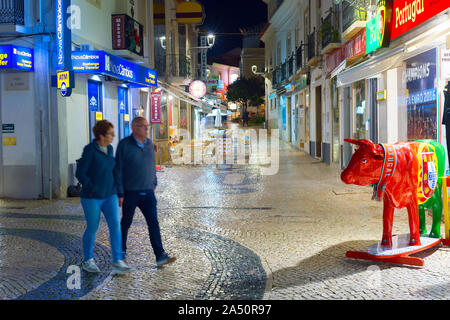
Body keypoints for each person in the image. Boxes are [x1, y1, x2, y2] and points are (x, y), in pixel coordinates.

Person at [115, 117, 176, 267]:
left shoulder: (149, 144)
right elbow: (117, 170)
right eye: (143, 127)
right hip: (130, 192)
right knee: (126, 223)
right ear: (134, 128)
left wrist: (154, 182)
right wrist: (120, 192)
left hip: (148, 192)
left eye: (147, 126)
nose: (147, 129)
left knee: (153, 223)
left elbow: (151, 165)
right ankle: (120, 254)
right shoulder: (124, 145)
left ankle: (160, 255)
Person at [76, 120, 133, 275]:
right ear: (101, 135)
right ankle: (88, 260)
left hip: (110, 195)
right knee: (93, 227)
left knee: (115, 226)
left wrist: (119, 191)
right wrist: (91, 186)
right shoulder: (90, 150)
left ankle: (117, 261)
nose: (113, 136)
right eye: (110, 133)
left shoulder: (109, 149)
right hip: (92, 197)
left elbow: (114, 172)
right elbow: (80, 173)